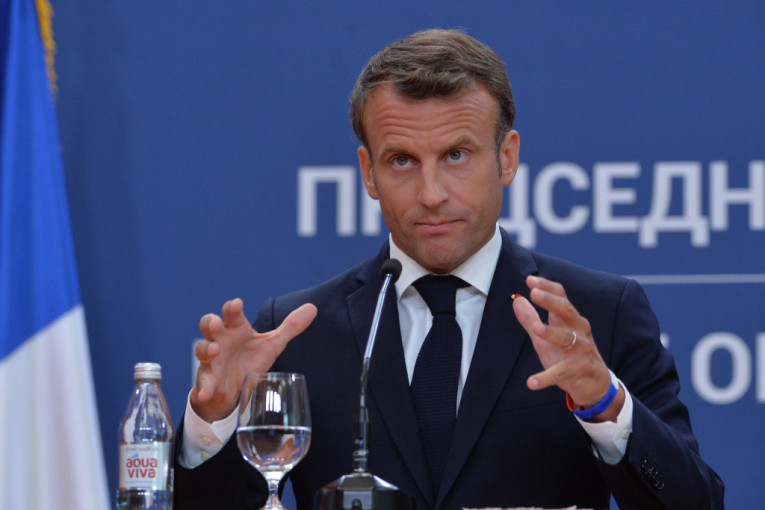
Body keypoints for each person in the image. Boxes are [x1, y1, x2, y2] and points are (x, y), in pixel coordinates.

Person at [174, 29, 725, 510]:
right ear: (368, 172)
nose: (431, 194)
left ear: (506, 157)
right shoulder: (296, 331)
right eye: (402, 161)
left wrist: (605, 402)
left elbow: (696, 502)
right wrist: (214, 420)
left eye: (456, 155)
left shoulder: (599, 315)